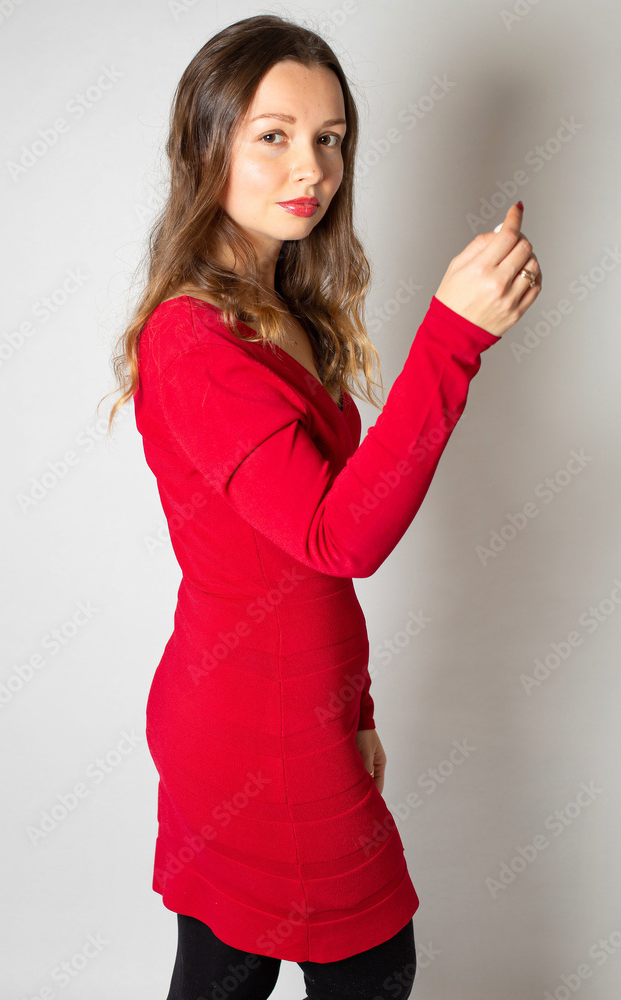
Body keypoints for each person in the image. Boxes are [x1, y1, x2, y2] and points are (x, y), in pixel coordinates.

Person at [104, 13, 541, 1000]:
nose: (313, 167)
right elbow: (338, 537)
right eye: (274, 135)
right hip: (254, 733)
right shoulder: (193, 342)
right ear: (206, 145)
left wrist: (358, 707)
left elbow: (299, 557)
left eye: (330, 138)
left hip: (296, 714)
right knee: (366, 965)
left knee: (228, 970)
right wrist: (453, 338)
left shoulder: (280, 312)